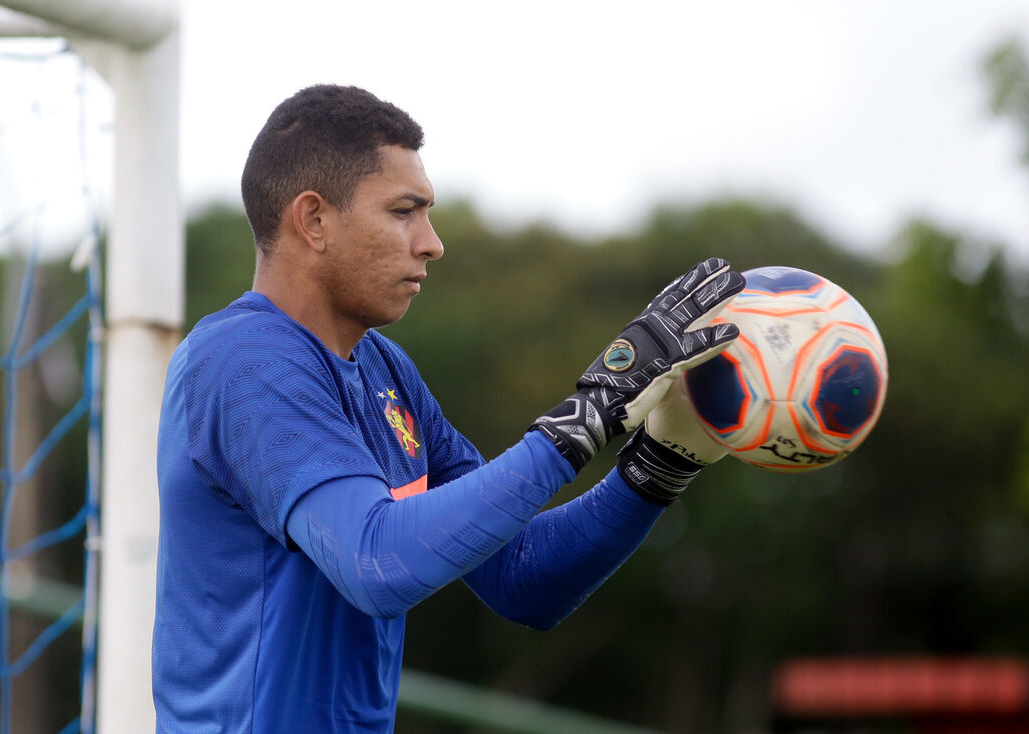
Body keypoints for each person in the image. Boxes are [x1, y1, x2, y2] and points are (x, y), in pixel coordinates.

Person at [152, 84, 745, 734]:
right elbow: (374, 563)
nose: (431, 243)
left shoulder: (386, 371)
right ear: (314, 219)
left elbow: (523, 580)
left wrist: (657, 464)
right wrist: (584, 420)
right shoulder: (243, 360)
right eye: (405, 212)